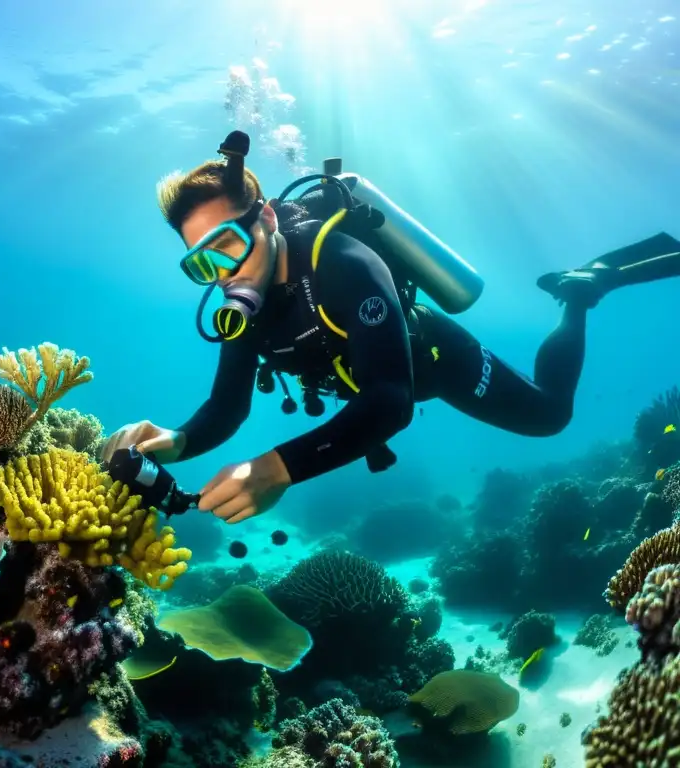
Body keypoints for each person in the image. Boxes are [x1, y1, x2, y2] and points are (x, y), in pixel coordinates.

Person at [101, 131, 680, 525]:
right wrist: (178, 440)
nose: (226, 274)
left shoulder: (344, 261)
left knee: (550, 416)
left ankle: (578, 295)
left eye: (228, 243)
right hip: (363, 385)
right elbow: (226, 407)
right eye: (204, 262)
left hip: (430, 360)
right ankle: (578, 293)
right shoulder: (239, 303)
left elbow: (389, 402)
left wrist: (278, 468)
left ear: (268, 218)